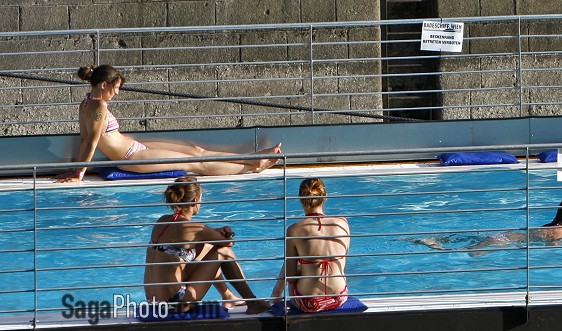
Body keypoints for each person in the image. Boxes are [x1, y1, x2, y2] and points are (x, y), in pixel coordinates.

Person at [54, 64, 282, 182]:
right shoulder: (98, 107)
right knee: (195, 164)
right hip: (131, 158)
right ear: (103, 84)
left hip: (134, 147)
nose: (116, 93)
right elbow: (90, 142)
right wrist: (78, 173)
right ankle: (253, 167)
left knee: (196, 151)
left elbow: (86, 140)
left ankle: (254, 158)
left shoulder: (86, 102)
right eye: (115, 88)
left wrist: (76, 169)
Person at [145, 176, 270, 313]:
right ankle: (252, 302)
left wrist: (212, 234)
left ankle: (227, 295)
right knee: (223, 252)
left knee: (208, 248)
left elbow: (191, 240)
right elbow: (228, 243)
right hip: (176, 304)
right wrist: (225, 232)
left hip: (153, 302)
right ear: (194, 200)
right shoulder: (193, 229)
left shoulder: (161, 221)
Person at [271, 178, 352, 313]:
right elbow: (342, 263)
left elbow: (290, 276)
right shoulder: (342, 223)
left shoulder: (294, 229)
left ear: (301, 199)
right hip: (339, 297)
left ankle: (275, 295)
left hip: (309, 302)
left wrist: (305, 267)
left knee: (292, 263)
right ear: (324, 197)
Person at [415, 195, 562, 253]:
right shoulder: (558, 232)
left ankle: (436, 240)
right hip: (503, 240)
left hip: (504, 237)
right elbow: (552, 249)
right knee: (466, 252)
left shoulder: (555, 227)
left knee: (468, 243)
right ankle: (433, 244)